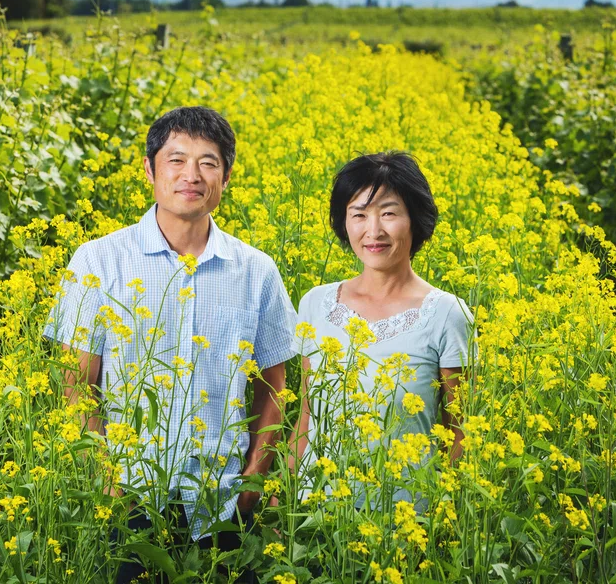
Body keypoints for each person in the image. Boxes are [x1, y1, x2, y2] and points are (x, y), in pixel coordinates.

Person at [43, 106, 296, 583]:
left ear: (226, 175)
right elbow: (77, 381)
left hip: (223, 503)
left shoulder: (256, 270)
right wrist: (107, 479)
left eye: (208, 162)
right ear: (149, 169)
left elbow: (275, 388)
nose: (191, 175)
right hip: (130, 498)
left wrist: (251, 485)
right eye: (176, 160)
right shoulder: (98, 259)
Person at [285, 150, 475, 509]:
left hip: (404, 525)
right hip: (318, 522)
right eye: (359, 214)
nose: (374, 231)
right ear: (344, 222)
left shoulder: (447, 313)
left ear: (414, 220)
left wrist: (445, 523)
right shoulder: (315, 303)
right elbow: (307, 416)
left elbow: (459, 433)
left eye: (389, 213)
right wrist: (284, 503)